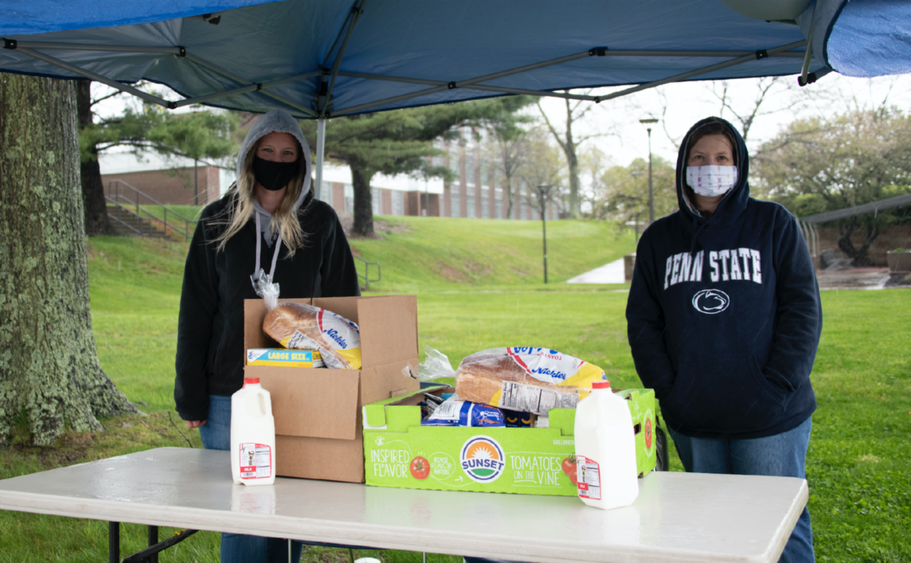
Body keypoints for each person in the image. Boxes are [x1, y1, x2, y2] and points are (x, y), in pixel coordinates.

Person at [626, 116, 821, 563]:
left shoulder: (773, 223)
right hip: (695, 417)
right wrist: (670, 390)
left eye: (721, 157)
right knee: (710, 528)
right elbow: (643, 321)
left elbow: (802, 308)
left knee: (781, 526)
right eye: (699, 158)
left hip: (772, 415)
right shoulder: (659, 239)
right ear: (683, 167)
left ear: (738, 165)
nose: (709, 167)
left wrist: (778, 384)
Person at [175, 109, 360, 563]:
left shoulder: (320, 221)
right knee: (246, 513)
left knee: (290, 509)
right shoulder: (216, 220)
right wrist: (191, 397)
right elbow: (196, 313)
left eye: (287, 153)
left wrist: (347, 388)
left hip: (301, 388)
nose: (276, 160)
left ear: (301, 161)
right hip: (229, 393)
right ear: (250, 155)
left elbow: (344, 306)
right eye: (267, 151)